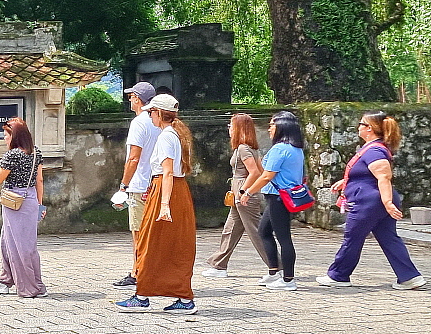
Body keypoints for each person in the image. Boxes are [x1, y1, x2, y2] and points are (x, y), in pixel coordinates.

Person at [323, 112, 428, 289]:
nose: (358, 127)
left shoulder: (374, 150)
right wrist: (346, 182)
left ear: (369, 128)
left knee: (353, 237)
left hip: (369, 203)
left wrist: (387, 203)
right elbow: (366, 174)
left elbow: (384, 177)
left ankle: (338, 276)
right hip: (374, 201)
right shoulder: (372, 148)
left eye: (361, 124)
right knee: (388, 238)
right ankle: (409, 277)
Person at [118, 94, 197, 313]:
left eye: (152, 111)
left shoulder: (166, 136)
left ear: (160, 113)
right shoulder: (176, 134)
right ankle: (178, 296)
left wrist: (163, 204)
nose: (150, 114)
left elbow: (168, 172)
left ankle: (143, 295)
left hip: (167, 190)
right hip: (171, 190)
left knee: (149, 242)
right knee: (173, 245)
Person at [202, 113, 275, 277]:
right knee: (230, 229)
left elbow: (255, 172)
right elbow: (260, 170)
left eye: (231, 125)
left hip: (244, 192)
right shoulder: (249, 148)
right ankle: (219, 264)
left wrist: (244, 191)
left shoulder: (243, 148)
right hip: (240, 191)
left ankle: (277, 265)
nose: (229, 128)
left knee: (256, 231)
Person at [239, 112, 305, 290]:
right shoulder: (295, 148)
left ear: (282, 127)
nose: (269, 129)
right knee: (264, 231)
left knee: (284, 238)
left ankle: (289, 279)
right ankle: (273, 272)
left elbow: (267, 175)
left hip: (279, 197)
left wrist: (248, 192)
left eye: (272, 125)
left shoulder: (280, 149)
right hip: (281, 196)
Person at [0, 118, 47, 298]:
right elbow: (39, 180)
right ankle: (5, 279)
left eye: (6, 135)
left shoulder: (12, 155)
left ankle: (31, 287)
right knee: (11, 241)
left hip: (14, 201)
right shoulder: (36, 153)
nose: (4, 139)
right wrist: (40, 204)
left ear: (15, 136)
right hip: (31, 199)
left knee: (19, 246)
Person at [114, 82, 158, 288]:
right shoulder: (160, 122)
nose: (130, 99)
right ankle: (146, 269)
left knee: (138, 232)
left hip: (140, 184)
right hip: (157, 183)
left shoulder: (139, 122)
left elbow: (133, 158)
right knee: (154, 232)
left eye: (132, 96)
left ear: (138, 99)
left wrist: (123, 185)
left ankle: (139, 271)